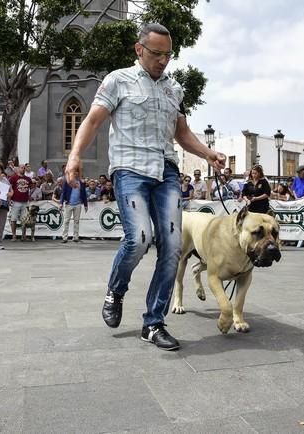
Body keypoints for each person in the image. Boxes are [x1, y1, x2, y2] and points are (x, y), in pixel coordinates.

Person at [64, 23, 226, 351]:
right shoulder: (117, 80)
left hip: (166, 173)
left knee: (172, 247)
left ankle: (153, 323)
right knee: (139, 238)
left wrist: (208, 153)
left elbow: (182, 134)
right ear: (140, 50)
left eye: (168, 55)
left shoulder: (175, 90)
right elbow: (92, 120)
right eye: (156, 53)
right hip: (129, 170)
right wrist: (75, 155)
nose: (163, 60)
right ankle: (116, 290)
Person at [59, 176, 88, 243]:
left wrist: (86, 205)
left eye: (77, 172)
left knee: (76, 221)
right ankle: (64, 237)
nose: (76, 174)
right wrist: (61, 203)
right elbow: (63, 193)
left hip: (78, 204)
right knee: (66, 221)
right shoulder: (67, 181)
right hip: (69, 204)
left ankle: (75, 237)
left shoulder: (81, 182)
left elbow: (84, 194)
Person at [8, 164, 33, 241]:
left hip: (25, 201)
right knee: (13, 219)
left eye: (24, 168)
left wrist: (29, 196)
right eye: (22, 168)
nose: (23, 169)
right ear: (18, 169)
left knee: (24, 220)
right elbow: (9, 188)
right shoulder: (13, 178)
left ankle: (23, 235)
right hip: (16, 201)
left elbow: (31, 188)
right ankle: (14, 235)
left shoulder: (28, 179)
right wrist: (9, 198)